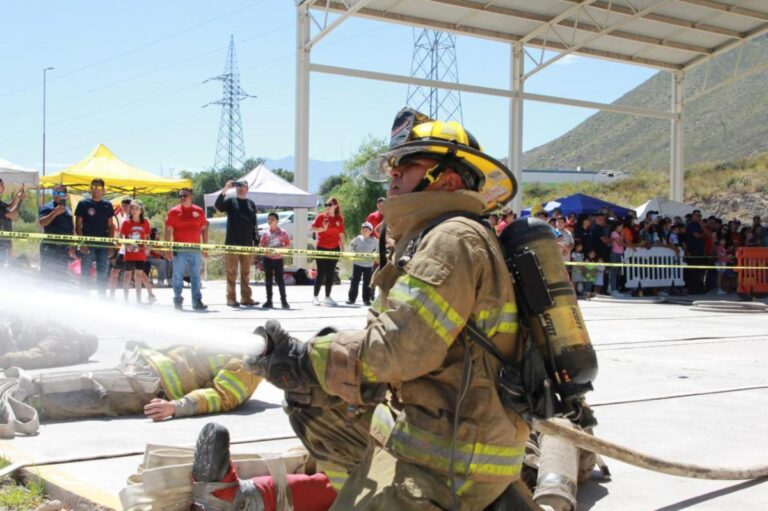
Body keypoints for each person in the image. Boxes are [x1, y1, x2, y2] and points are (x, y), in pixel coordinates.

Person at [247, 108, 529, 510]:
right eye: (394, 164)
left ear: (447, 179)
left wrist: (305, 356)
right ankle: (358, 492)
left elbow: (400, 348)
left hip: (451, 456)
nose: (394, 173)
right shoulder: (433, 236)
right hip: (431, 425)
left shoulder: (452, 239)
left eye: (409, 164)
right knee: (308, 396)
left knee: (310, 376)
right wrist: (307, 368)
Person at [215, 181, 259, 307]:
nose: (240, 189)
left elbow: (254, 224)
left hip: (247, 244)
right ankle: (231, 298)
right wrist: (225, 189)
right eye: (238, 187)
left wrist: (256, 241)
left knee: (245, 272)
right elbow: (218, 206)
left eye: (243, 187)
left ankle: (246, 297)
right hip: (232, 243)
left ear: (247, 189)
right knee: (231, 272)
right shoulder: (230, 201)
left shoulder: (251, 204)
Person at [165, 188, 208, 311]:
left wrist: (205, 248)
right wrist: (167, 249)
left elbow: (204, 229)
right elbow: (168, 231)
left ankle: (197, 301)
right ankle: (177, 299)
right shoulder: (174, 212)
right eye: (180, 196)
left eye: (185, 195)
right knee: (178, 275)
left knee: (195, 276)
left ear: (191, 197)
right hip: (179, 248)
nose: (182, 198)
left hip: (195, 248)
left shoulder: (198, 211)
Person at [0, 317, 97, 370]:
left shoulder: (65, 342)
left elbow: (39, 356)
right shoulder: (63, 335)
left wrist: (7, 359)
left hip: (7, 335)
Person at [75, 179, 115, 294]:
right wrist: (82, 242)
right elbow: (78, 225)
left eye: (98, 188)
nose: (96, 190)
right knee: (85, 272)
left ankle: (102, 298)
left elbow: (111, 226)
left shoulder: (107, 205)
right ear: (90, 188)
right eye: (93, 187)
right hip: (87, 243)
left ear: (103, 190)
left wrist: (111, 245)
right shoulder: (83, 204)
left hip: (103, 243)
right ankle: (84, 297)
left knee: (102, 271)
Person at [310, 197, 344, 307]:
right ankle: (315, 297)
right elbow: (312, 229)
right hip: (322, 247)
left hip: (334, 248)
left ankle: (327, 297)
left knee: (331, 273)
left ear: (335, 206)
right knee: (321, 273)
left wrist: (343, 250)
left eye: (330, 205)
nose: (327, 207)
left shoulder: (339, 219)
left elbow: (341, 235)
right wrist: (322, 229)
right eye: (326, 205)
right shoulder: (321, 217)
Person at [119, 200, 155, 304]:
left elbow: (148, 238)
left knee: (139, 276)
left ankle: (138, 300)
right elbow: (121, 237)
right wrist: (127, 245)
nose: (134, 211)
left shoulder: (145, 223)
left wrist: (148, 246)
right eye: (132, 208)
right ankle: (125, 300)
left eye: (136, 208)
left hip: (140, 254)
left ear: (141, 210)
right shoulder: (126, 222)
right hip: (129, 253)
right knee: (127, 275)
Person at [38, 184, 75, 279]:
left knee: (61, 276)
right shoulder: (47, 207)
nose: (57, 195)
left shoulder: (68, 209)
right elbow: (42, 222)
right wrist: (54, 213)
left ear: (66, 195)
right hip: (50, 247)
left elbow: (71, 228)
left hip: (64, 249)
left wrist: (72, 245)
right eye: (55, 192)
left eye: (61, 193)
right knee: (47, 276)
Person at [259, 212, 291, 309]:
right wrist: (265, 250)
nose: (270, 221)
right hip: (267, 259)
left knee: (280, 280)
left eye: (272, 219)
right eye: (269, 219)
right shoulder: (265, 233)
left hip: (278, 259)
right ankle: (269, 301)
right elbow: (261, 245)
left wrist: (280, 250)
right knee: (268, 280)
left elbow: (288, 245)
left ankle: (284, 301)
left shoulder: (283, 232)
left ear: (277, 221)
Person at [345, 222, 377, 306]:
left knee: (367, 283)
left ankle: (366, 300)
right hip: (357, 264)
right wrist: (353, 253)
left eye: (366, 230)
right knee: (354, 281)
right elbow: (351, 246)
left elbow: (379, 249)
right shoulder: (358, 238)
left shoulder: (375, 241)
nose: (364, 231)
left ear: (371, 231)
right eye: (363, 229)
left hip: (368, 265)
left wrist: (375, 255)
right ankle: (351, 299)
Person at [109, 198, 133, 298]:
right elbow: (122, 234)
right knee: (114, 272)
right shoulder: (124, 217)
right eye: (123, 206)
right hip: (123, 250)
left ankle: (126, 298)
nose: (124, 208)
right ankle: (111, 296)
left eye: (126, 206)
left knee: (134, 274)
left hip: (132, 251)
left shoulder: (134, 218)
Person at [0, 179, 25, 267]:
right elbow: (12, 215)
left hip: (4, 244)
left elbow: (9, 207)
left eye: (2, 185)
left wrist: (18, 196)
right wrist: (20, 201)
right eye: (1, 185)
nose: (3, 188)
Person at [608, 220, 627, 297]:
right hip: (615, 254)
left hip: (620, 254)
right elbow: (619, 243)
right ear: (617, 226)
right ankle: (613, 289)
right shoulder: (614, 233)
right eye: (621, 226)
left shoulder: (618, 234)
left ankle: (614, 288)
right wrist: (622, 236)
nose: (622, 228)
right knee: (614, 272)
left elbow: (621, 242)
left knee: (617, 272)